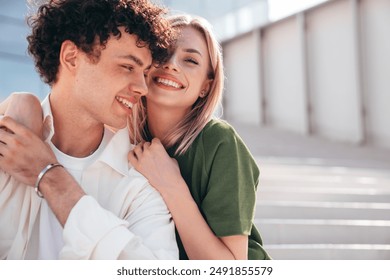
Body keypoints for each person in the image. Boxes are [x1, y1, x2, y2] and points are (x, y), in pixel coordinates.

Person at [0, 0, 178, 259]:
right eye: (128, 66)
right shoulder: (9, 134)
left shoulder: (138, 184)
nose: (142, 88)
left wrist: (50, 177)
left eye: (145, 72)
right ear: (72, 57)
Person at [128, 14, 271, 260]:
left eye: (191, 60)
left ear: (206, 85)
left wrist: (171, 185)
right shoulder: (123, 138)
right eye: (163, 52)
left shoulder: (220, 142)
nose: (172, 64)